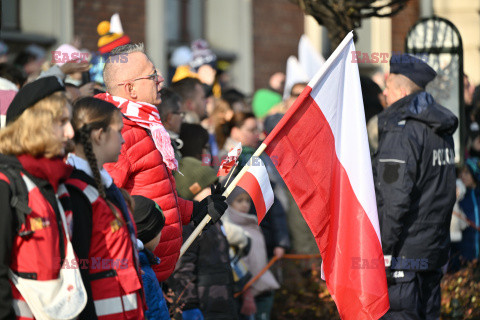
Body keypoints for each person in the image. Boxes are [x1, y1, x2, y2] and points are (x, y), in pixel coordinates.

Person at [97, 43, 228, 283]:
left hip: (153, 272)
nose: (161, 79)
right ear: (130, 89)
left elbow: (154, 193)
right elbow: (105, 206)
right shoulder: (121, 131)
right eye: (152, 75)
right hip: (135, 275)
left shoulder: (142, 125)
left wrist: (195, 210)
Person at [373, 54, 458, 319]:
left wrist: (381, 253)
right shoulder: (439, 129)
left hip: (402, 258)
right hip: (431, 253)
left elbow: (393, 200)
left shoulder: (402, 132)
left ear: (400, 89)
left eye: (387, 86)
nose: (384, 93)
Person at [0, 76, 75, 319]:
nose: (70, 131)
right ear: (37, 125)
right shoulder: (7, 184)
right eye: (62, 122)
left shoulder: (58, 183)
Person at [66, 97, 145, 319]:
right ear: (99, 135)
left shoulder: (104, 185)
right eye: (118, 131)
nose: (122, 140)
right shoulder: (76, 192)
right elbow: (79, 267)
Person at [224, 187, 280, 320]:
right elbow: (238, 263)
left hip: (263, 288)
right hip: (244, 293)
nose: (245, 204)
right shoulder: (230, 229)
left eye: (247, 201)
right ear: (230, 203)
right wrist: (247, 293)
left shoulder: (253, 224)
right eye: (239, 201)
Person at [132, 195, 170, 320]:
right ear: (148, 234)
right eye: (159, 230)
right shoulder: (144, 275)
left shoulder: (142, 266)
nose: (161, 235)